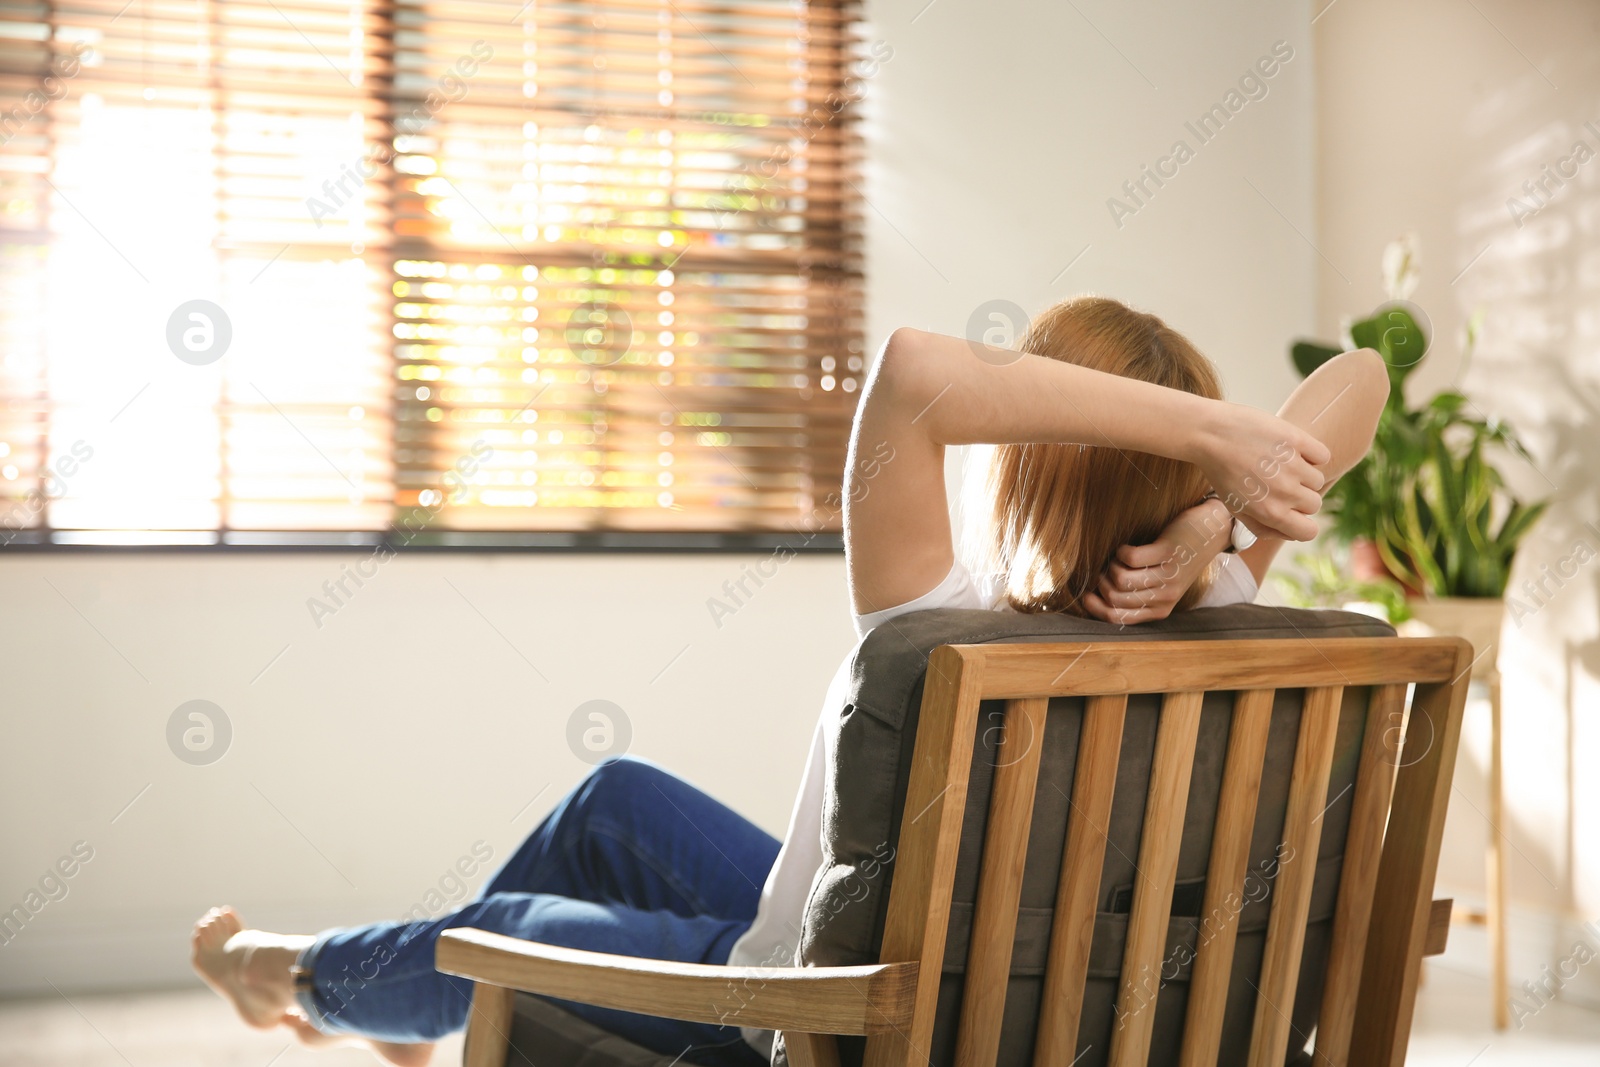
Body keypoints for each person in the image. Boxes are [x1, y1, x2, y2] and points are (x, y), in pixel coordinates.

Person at [192, 297, 1388, 1065]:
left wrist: (1209, 458)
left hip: (827, 1007)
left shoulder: (938, 612)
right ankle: (408, 1014)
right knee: (618, 799)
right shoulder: (1223, 605)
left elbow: (916, 369)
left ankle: (297, 975)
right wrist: (1214, 510)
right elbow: (1363, 379)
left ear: (1027, 466)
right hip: (999, 970)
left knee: (496, 934)